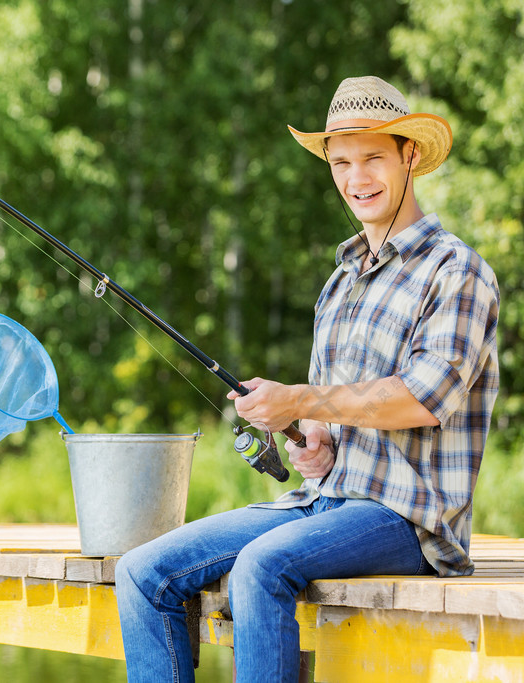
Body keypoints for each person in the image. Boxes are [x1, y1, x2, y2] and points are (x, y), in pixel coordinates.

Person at [114, 75, 500, 682]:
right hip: (324, 503)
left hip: (410, 519)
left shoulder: (457, 271)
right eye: (341, 162)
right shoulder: (339, 282)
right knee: (141, 572)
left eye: (373, 157)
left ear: (411, 156)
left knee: (261, 567)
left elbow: (423, 398)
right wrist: (314, 437)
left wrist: (299, 397)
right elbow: (333, 420)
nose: (357, 178)